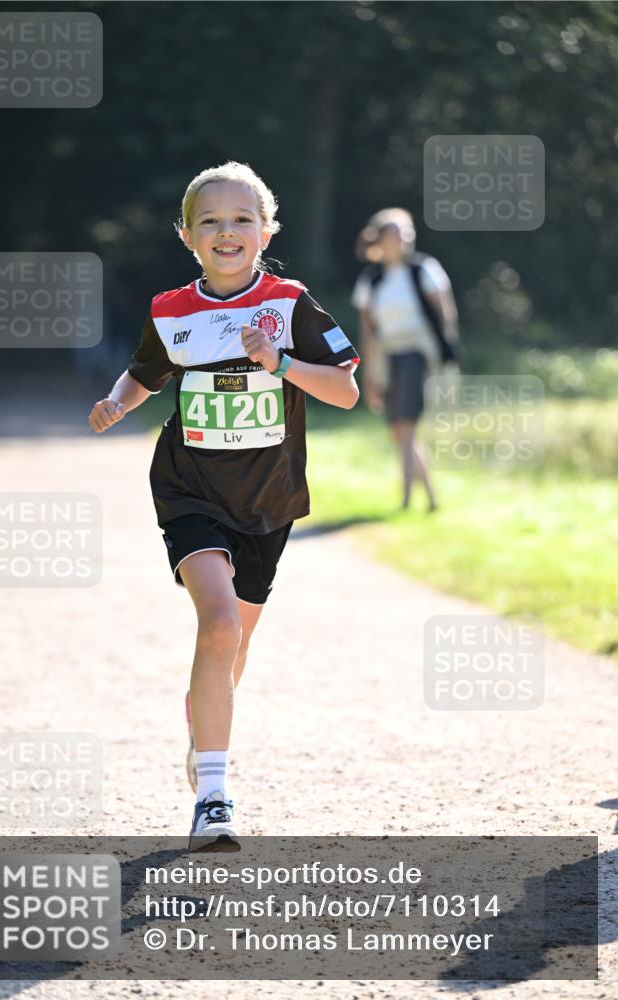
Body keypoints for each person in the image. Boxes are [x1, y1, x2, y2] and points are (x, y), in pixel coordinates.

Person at [88, 162, 360, 851]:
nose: (226, 231)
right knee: (217, 626)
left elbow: (346, 392)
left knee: (234, 643)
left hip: (267, 499)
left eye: (242, 218)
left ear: (266, 229)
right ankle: (213, 793)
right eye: (209, 220)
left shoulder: (292, 303)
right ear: (187, 235)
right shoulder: (171, 310)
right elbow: (146, 371)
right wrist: (119, 402)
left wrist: (281, 364)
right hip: (189, 489)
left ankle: (200, 727)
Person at [351, 208, 459, 511]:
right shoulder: (371, 280)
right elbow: (368, 331)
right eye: (397, 234)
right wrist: (368, 376)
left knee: (406, 424)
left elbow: (445, 314)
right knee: (398, 430)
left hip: (418, 352)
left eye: (407, 233)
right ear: (381, 240)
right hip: (387, 356)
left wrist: (446, 355)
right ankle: (432, 499)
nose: (404, 239)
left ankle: (406, 499)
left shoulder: (424, 269)